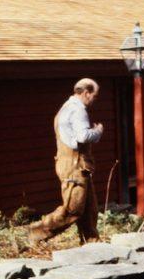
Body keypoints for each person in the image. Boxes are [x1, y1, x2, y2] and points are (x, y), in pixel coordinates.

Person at [28, 78, 103, 245]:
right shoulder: (78, 110)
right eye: (94, 96)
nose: (94, 100)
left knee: (90, 209)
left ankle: (92, 242)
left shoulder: (65, 108)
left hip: (71, 163)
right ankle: (36, 233)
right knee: (73, 209)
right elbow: (83, 136)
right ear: (86, 93)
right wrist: (97, 131)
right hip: (75, 165)